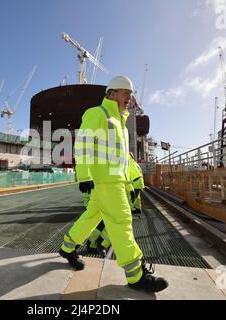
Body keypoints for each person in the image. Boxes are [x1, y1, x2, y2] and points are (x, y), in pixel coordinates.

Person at [59, 76, 168, 293]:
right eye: (125, 92)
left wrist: (132, 183)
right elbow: (83, 144)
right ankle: (136, 275)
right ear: (112, 93)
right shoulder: (98, 113)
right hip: (106, 182)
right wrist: (84, 175)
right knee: (122, 222)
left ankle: (67, 247)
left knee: (91, 217)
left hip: (113, 182)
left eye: (130, 93)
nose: (129, 97)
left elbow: (123, 158)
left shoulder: (120, 123)